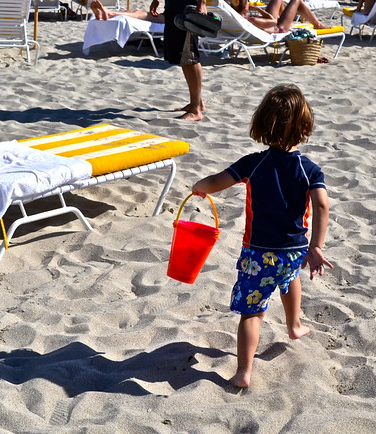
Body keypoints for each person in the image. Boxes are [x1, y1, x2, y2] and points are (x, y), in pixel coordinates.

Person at [191, 84, 333, 388]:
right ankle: (294, 326)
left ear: (263, 125)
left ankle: (244, 372)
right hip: (295, 249)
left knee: (252, 313)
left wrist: (200, 186)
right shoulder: (309, 169)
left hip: (257, 254)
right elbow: (321, 204)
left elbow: (217, 181)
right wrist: (316, 246)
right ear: (305, 127)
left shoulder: (253, 163)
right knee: (290, 277)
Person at [150, 0, 207, 121]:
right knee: (183, 57)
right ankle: (198, 103)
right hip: (173, 9)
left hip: (188, 9)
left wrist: (202, 3)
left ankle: (195, 109)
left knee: (189, 56)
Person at [231, 0, 331, 33]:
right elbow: (274, 21)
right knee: (297, 1)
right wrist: (258, 9)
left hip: (266, 25)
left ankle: (289, 20)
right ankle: (317, 24)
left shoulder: (235, 17)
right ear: (246, 7)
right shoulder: (252, 19)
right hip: (279, 28)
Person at [90, 0, 164, 23]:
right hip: (170, 15)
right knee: (134, 12)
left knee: (140, 14)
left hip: (171, 19)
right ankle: (108, 13)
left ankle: (110, 13)